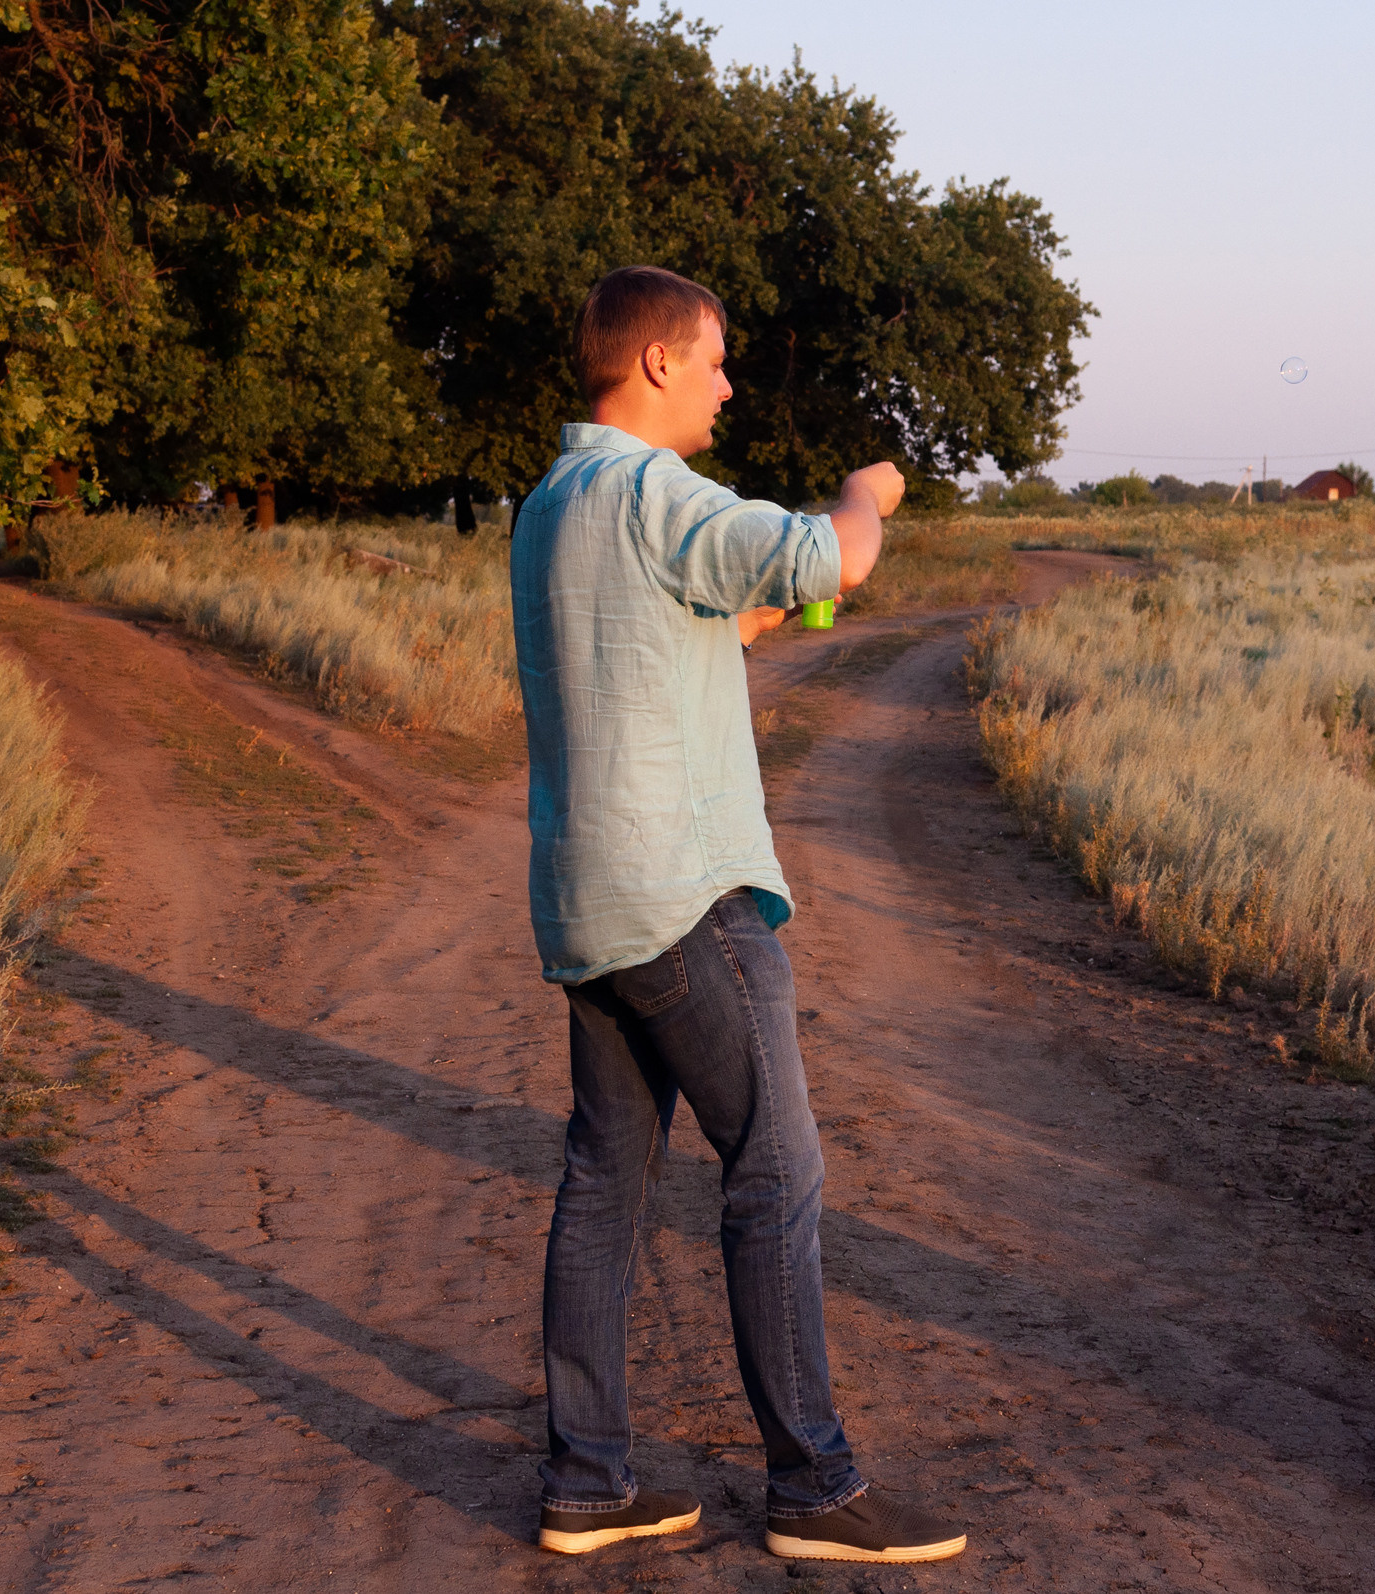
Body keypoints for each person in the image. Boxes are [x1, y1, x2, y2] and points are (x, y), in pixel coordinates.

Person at [512, 265, 968, 1565]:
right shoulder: (658, 490)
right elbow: (834, 554)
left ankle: (589, 1478)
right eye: (713, 361)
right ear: (655, 363)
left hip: (588, 894)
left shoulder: (553, 503)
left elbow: (678, 629)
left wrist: (753, 618)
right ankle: (816, 1484)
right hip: (684, 892)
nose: (725, 383)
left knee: (608, 1174)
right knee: (774, 1167)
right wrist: (863, 496)